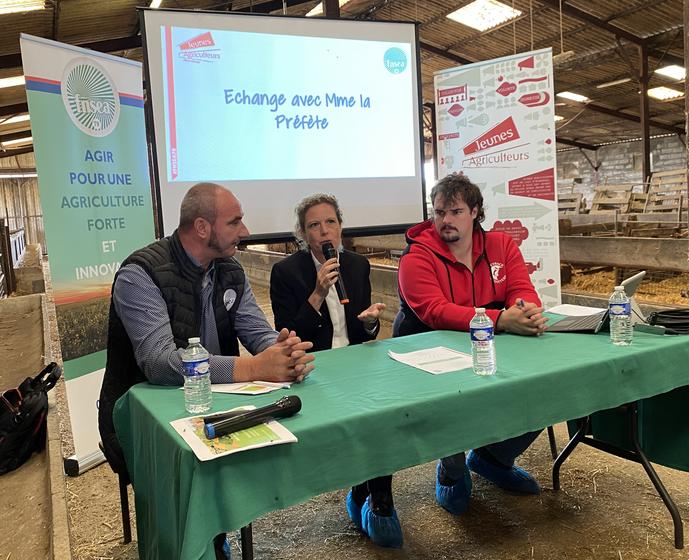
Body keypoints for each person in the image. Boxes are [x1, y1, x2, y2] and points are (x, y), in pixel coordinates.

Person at [98, 182, 314, 560]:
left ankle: (212, 531)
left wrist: (279, 351)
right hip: (139, 417)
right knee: (185, 471)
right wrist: (251, 367)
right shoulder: (140, 274)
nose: (245, 232)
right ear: (201, 228)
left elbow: (254, 327)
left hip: (214, 402)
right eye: (235, 222)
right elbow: (159, 361)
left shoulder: (229, 269)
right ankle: (196, 540)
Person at [394, 172, 547, 516]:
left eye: (455, 212)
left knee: (545, 381)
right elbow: (434, 311)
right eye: (439, 213)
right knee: (450, 405)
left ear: (475, 211)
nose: (445, 221)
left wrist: (525, 309)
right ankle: (450, 467)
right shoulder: (415, 256)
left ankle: (493, 458)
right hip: (429, 348)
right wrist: (499, 319)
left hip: (492, 339)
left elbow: (521, 287)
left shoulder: (502, 245)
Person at [269, 194, 401, 548]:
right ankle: (360, 487)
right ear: (302, 234)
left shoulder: (357, 265)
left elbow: (359, 333)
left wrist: (371, 324)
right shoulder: (286, 272)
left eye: (330, 222)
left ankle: (380, 498)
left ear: (340, 226)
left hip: (357, 363)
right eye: (314, 225)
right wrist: (317, 293)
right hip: (316, 368)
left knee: (382, 414)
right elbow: (288, 337)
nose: (324, 231)